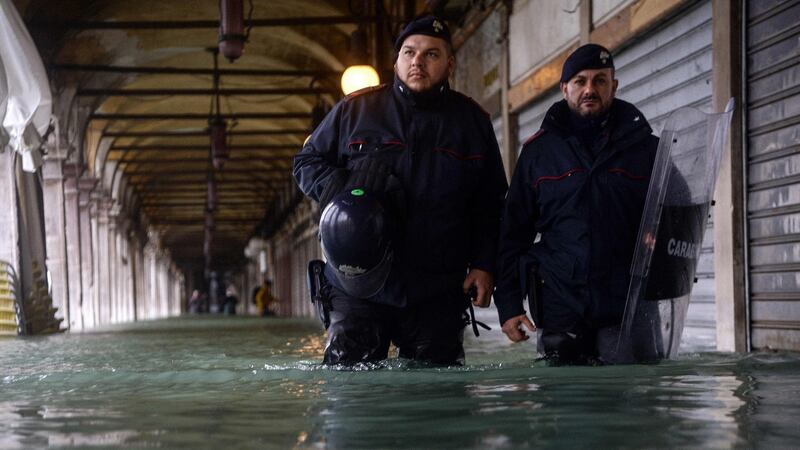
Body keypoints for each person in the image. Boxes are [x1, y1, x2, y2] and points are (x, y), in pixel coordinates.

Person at [293, 15, 507, 366]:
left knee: (437, 394)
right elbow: (306, 161)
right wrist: (343, 189)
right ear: (396, 61)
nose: (417, 62)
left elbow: (490, 201)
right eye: (409, 53)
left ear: (450, 63)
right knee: (353, 392)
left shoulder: (472, 122)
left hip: (436, 284)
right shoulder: (355, 110)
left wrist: (484, 264)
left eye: (431, 54)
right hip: (357, 281)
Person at [494, 44, 660, 365]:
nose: (589, 89)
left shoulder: (647, 148)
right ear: (564, 88)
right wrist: (509, 305)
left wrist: (660, 234)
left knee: (631, 403)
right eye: (580, 81)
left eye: (600, 80)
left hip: (626, 305)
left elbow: (678, 210)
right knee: (563, 404)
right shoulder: (537, 154)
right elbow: (512, 234)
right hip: (560, 305)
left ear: (614, 86)